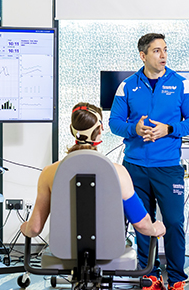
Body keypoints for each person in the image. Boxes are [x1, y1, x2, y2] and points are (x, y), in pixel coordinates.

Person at [109, 33, 189, 290]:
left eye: (165, 50)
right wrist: (133, 129)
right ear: (143, 55)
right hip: (135, 168)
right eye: (156, 50)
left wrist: (169, 129)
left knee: (173, 223)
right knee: (142, 224)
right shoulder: (127, 86)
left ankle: (176, 283)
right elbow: (114, 123)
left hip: (168, 167)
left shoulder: (180, 84)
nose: (163, 55)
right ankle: (149, 277)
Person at [20, 102, 166, 240]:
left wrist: (25, 227)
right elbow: (141, 224)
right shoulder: (119, 173)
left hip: (63, 252)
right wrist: (155, 228)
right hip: (110, 251)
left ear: (72, 130)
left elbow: (34, 229)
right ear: (100, 130)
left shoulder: (49, 172)